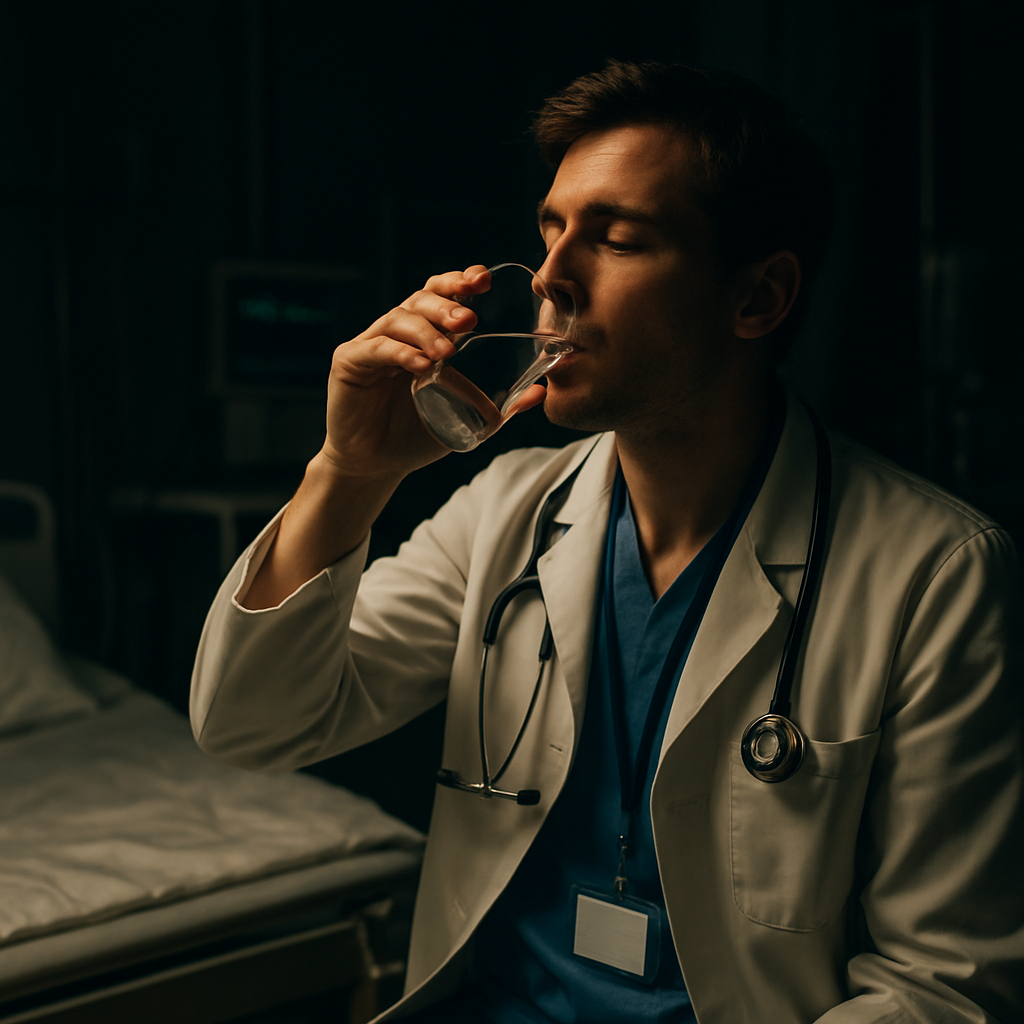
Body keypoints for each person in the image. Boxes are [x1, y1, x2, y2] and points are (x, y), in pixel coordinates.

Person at [190, 61, 1023, 1023]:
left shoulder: (936, 576)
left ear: (758, 298)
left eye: (616, 240)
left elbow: (943, 986)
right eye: (549, 233)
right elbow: (250, 725)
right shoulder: (503, 514)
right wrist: (350, 471)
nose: (549, 277)